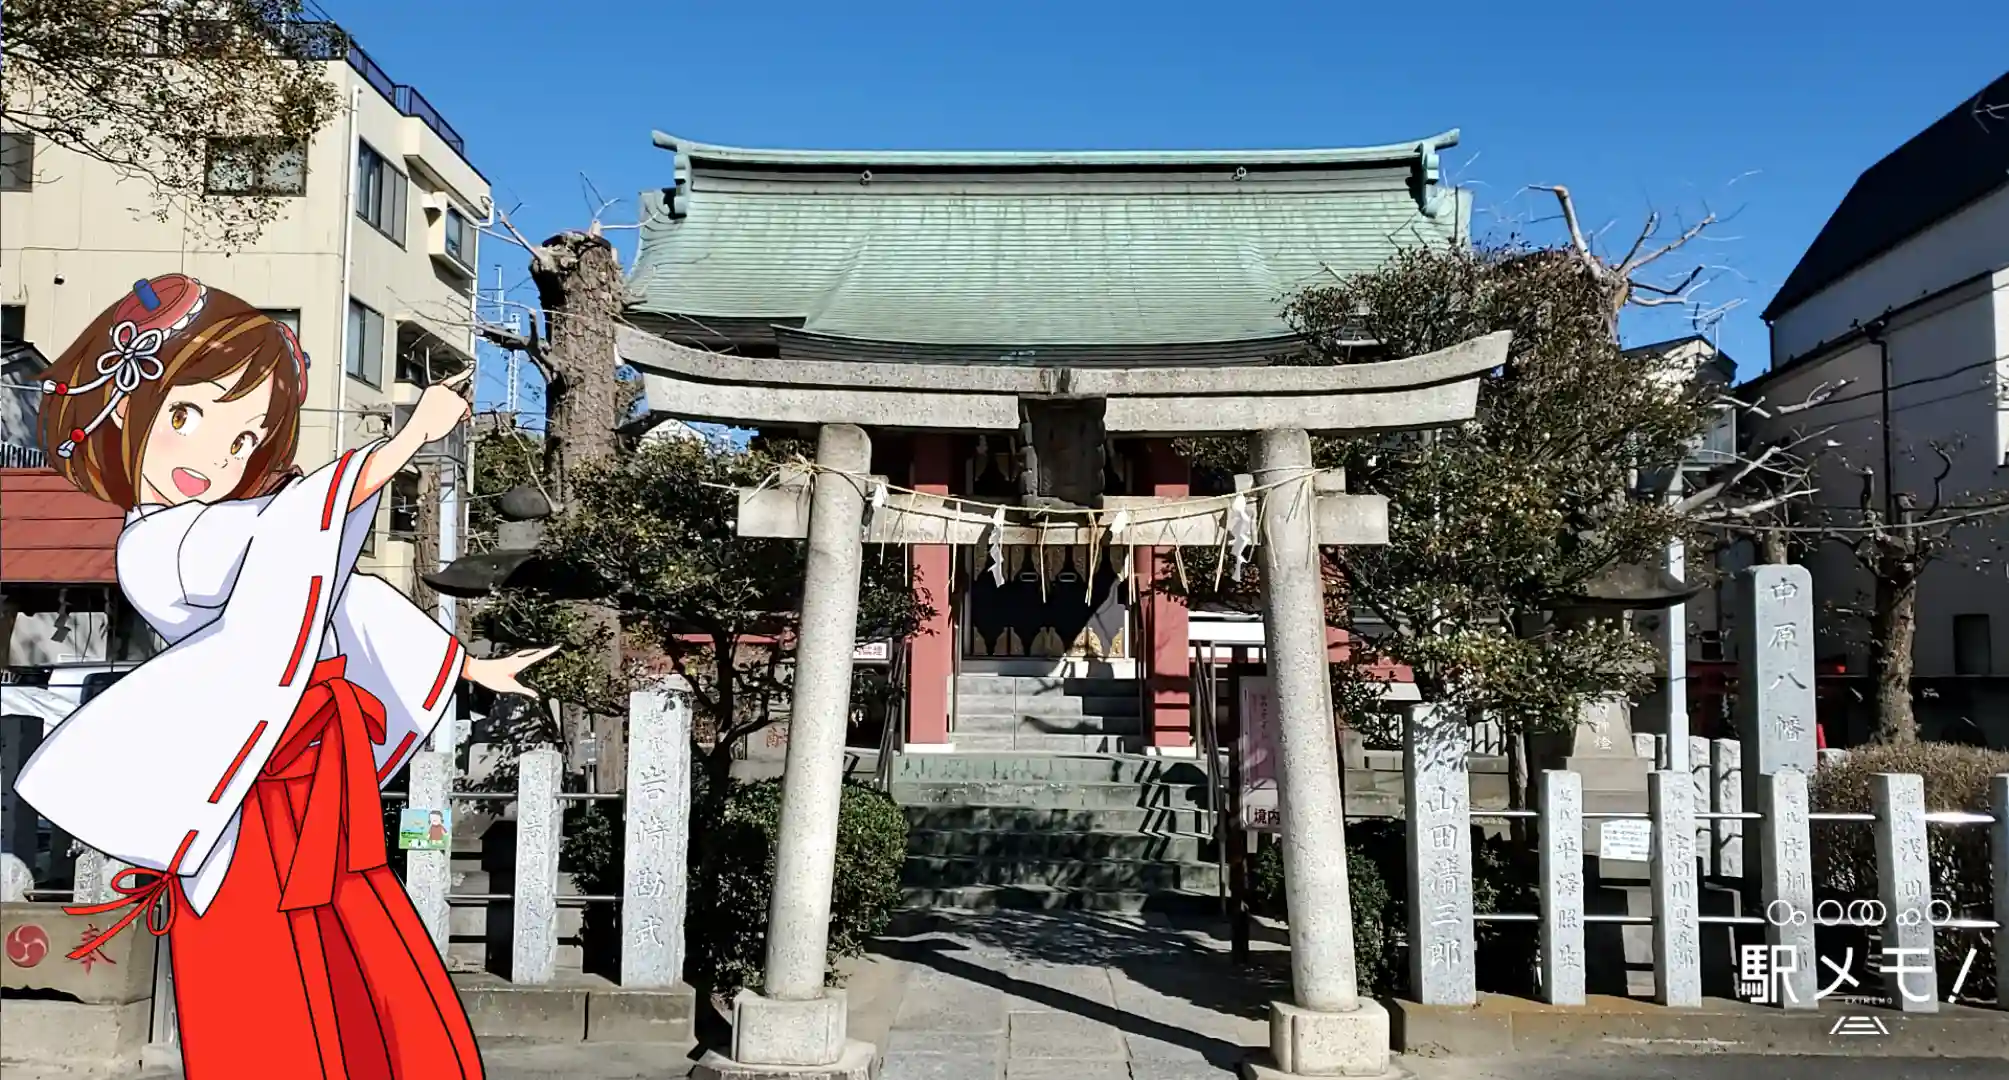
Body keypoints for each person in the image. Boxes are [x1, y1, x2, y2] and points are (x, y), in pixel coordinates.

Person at [13, 276, 555, 1079]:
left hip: (309, 773)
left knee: (351, 947)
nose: (214, 457)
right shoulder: (156, 546)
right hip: (246, 790)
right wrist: (409, 438)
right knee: (263, 961)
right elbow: (299, 529)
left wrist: (467, 665)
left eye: (243, 439)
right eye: (188, 417)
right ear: (124, 411)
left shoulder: (235, 525)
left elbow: (341, 590)